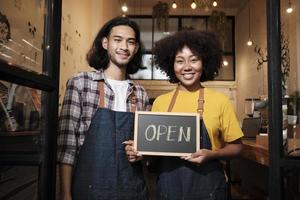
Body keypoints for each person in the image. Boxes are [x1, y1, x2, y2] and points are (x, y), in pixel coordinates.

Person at [125, 30, 243, 200]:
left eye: (194, 60)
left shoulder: (220, 101)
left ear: (204, 62)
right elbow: (154, 149)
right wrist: (139, 150)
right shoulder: (160, 103)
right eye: (180, 61)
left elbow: (237, 147)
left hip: (209, 190)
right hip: (168, 189)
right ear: (171, 66)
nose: (187, 67)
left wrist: (212, 154)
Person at [57, 16, 151, 200]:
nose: (124, 47)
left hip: (131, 189)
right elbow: (67, 148)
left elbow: (146, 146)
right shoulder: (80, 83)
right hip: (89, 188)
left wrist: (142, 153)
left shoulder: (140, 93)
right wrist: (65, 194)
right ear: (105, 43)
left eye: (130, 42)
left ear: (136, 48)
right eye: (118, 40)